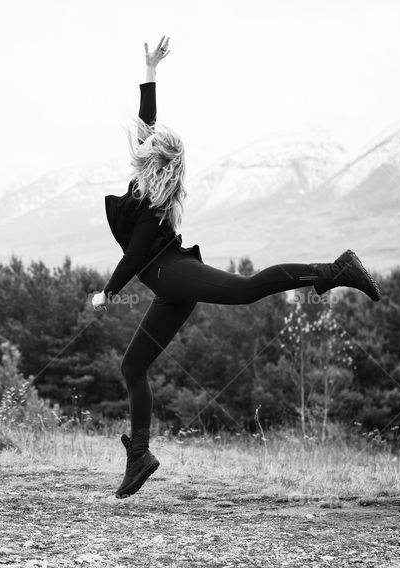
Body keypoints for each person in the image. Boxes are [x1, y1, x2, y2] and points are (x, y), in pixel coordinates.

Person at [92, 36, 381, 499]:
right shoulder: (142, 183)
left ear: (155, 163)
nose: (141, 145)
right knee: (133, 367)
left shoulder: (149, 205)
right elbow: (147, 120)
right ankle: (140, 455)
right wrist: (150, 70)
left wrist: (107, 293)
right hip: (168, 286)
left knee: (246, 289)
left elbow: (133, 258)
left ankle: (334, 271)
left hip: (174, 275)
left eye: (148, 149)